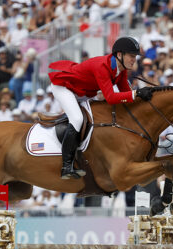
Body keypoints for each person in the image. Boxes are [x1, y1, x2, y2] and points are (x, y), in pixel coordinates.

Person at [47, 36, 153, 179]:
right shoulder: (102, 66)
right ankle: (66, 166)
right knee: (77, 119)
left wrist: (141, 98)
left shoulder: (120, 69)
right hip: (65, 87)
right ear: (120, 55)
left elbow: (125, 94)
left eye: (135, 56)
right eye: (131, 56)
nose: (134, 60)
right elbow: (111, 97)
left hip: (84, 92)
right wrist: (136, 93)